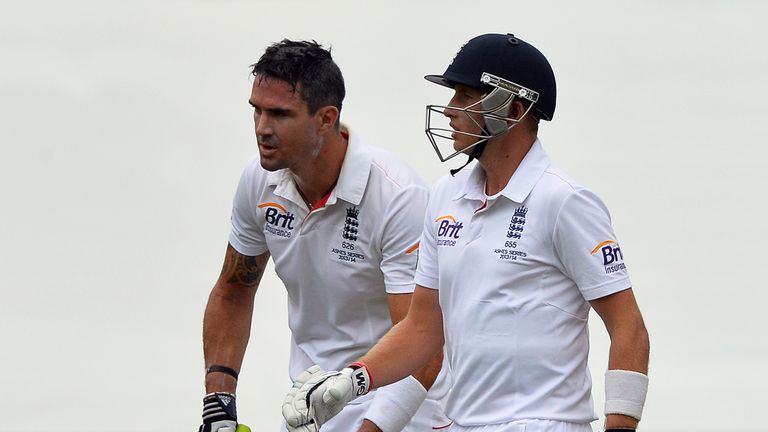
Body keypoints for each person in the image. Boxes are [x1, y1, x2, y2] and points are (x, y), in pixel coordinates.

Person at [283, 33, 650, 432]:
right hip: (463, 424)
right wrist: (353, 380)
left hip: (545, 423)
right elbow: (422, 329)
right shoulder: (445, 196)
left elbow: (628, 326)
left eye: (463, 96)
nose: (448, 111)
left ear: (512, 107)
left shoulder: (564, 201)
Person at [198, 39, 449, 432]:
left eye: (280, 114)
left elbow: (425, 342)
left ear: (326, 117)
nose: (263, 129)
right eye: (257, 111)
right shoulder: (258, 179)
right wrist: (218, 401)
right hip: (309, 412)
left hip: (404, 413)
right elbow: (233, 291)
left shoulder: (398, 196)